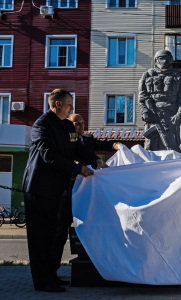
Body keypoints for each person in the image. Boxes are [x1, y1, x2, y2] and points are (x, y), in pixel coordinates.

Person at [22, 89, 100, 292]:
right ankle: (42, 281)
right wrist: (78, 169)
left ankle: (51, 276)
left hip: (55, 189)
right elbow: (49, 156)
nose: (71, 108)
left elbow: (77, 149)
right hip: (39, 189)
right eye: (68, 103)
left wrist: (95, 160)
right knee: (40, 237)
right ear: (57, 104)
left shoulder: (66, 125)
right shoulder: (42, 125)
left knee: (51, 235)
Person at [51, 114, 122, 278]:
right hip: (68, 190)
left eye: (82, 123)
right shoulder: (65, 139)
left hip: (89, 192)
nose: (80, 126)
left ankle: (98, 263)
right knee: (60, 230)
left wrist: (116, 145)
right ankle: (52, 270)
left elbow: (103, 144)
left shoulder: (88, 139)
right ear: (70, 125)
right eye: (76, 123)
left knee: (94, 226)